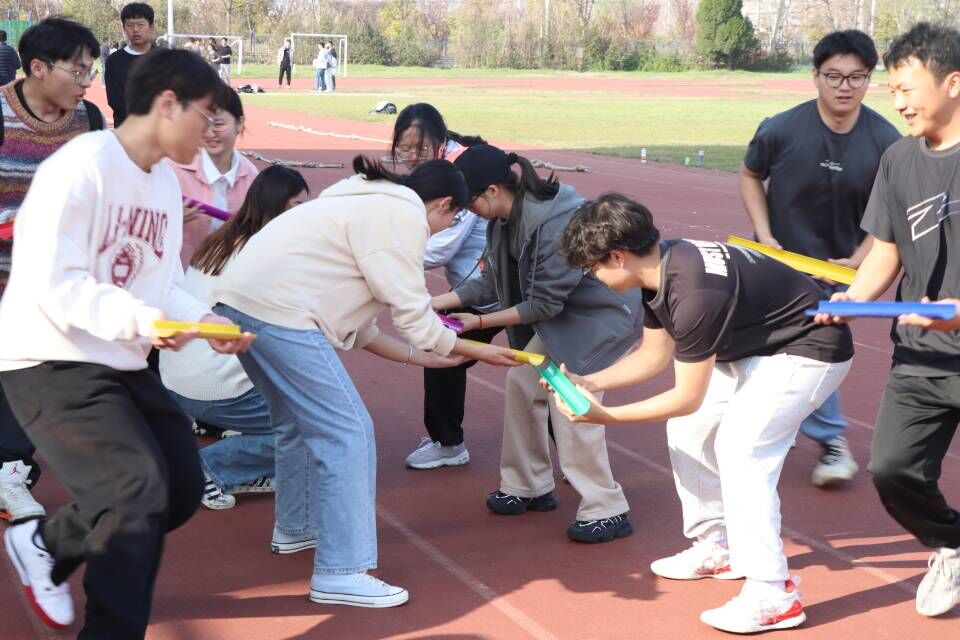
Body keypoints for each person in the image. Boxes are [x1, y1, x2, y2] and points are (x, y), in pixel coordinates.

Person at [0, 48, 252, 635]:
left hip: (117, 355)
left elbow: (160, 282)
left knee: (181, 488)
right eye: (205, 116)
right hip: (48, 355)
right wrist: (147, 321)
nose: (210, 133)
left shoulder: (161, 182)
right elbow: (54, 283)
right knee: (134, 491)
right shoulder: (82, 165)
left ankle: (48, 544)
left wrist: (204, 320)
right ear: (168, 104)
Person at [211, 155, 520, 608]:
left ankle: (296, 527)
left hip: (241, 305)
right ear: (444, 204)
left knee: (295, 424)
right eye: (453, 218)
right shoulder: (402, 215)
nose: (445, 228)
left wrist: (422, 358)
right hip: (279, 313)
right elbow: (415, 319)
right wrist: (476, 350)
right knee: (349, 432)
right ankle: (342, 571)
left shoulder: (364, 202)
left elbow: (362, 329)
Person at [560, 193, 853, 633]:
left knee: (742, 449)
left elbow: (686, 396)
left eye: (592, 268)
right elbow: (653, 357)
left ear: (618, 257)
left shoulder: (694, 292)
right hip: (756, 347)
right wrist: (589, 382)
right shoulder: (660, 266)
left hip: (808, 350)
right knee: (688, 430)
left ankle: (773, 594)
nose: (593, 277)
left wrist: (607, 418)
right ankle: (718, 546)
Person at [815, 22, 960, 618]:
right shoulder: (899, 159)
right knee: (892, 469)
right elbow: (887, 250)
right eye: (892, 90)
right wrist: (853, 298)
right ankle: (951, 544)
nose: (898, 102)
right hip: (922, 354)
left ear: (953, 83)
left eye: (908, 88)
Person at [432, 145, 643, 543]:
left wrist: (479, 321)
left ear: (493, 191)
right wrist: (437, 302)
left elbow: (544, 304)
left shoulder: (556, 223)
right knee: (522, 382)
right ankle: (527, 485)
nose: (467, 211)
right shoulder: (501, 222)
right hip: (568, 314)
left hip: (603, 314)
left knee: (571, 400)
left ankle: (607, 507)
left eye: (470, 202)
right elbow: (490, 281)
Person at [740, 29, 900, 488]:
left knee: (814, 344)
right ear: (815, 76)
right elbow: (750, 176)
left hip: (839, 267)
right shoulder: (781, 128)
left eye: (856, 77)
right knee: (767, 343)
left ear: (869, 79)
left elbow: (891, 211)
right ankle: (793, 424)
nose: (844, 87)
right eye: (834, 76)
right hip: (778, 261)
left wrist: (859, 257)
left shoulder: (886, 141)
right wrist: (765, 235)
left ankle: (829, 439)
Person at [0, 17, 104, 524]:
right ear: (38, 68)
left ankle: (11, 473)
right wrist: (22, 221)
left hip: (53, 287)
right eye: (77, 70)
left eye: (91, 70)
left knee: (33, 380)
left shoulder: (90, 119)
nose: (86, 82)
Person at [160, 166, 309, 510]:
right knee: (312, 428)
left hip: (176, 377)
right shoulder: (266, 256)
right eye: (296, 207)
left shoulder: (221, 240)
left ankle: (245, 467)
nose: (304, 216)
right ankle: (204, 468)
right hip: (216, 389)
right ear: (274, 207)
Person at [390, 104, 499, 470]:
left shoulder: (459, 176)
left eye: (420, 148)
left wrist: (380, 261)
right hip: (479, 283)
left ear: (439, 142)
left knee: (442, 351)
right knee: (535, 373)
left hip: (488, 286)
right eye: (404, 148)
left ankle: (448, 443)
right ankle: (578, 454)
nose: (411, 157)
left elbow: (441, 246)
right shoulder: (439, 170)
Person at [167, 85, 258, 269]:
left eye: (218, 124)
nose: (209, 133)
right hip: (181, 278)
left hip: (229, 278)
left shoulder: (252, 178)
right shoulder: (172, 171)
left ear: (239, 123)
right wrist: (168, 220)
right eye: (203, 123)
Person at [105, 2, 155, 127]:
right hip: (126, 128)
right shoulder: (114, 61)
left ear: (151, 27)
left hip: (161, 129)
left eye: (140, 25)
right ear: (124, 28)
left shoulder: (165, 58)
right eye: (130, 25)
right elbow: (115, 100)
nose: (135, 29)